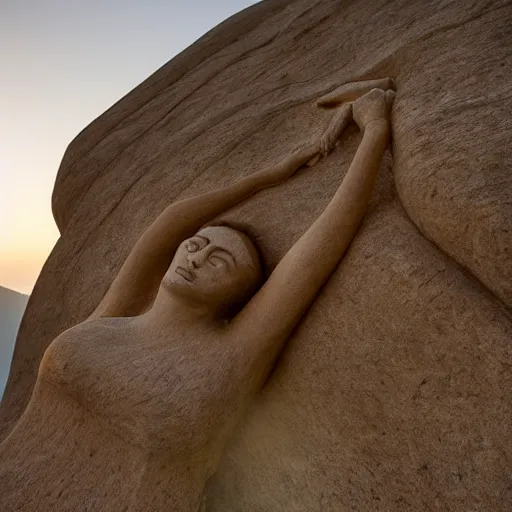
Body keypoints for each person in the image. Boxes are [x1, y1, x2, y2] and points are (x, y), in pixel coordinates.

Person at [1, 82, 395, 511]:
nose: (197, 257)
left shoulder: (228, 356)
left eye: (219, 261)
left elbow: (315, 255)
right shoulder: (110, 320)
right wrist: (270, 175)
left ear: (238, 294)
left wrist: (374, 132)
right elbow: (168, 224)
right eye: (196, 245)